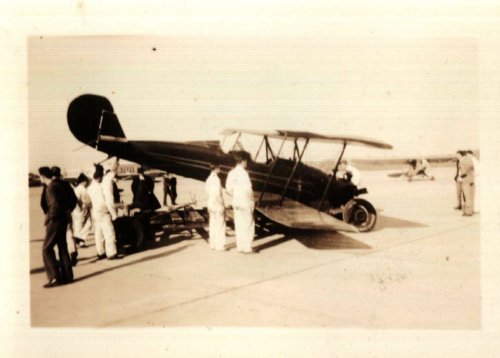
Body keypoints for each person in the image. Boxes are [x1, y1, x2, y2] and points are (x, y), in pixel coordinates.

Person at [38, 166, 74, 287]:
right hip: (63, 219)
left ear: (43, 176)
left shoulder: (50, 187)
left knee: (46, 249)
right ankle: (68, 276)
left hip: (55, 220)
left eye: (40, 176)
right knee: (62, 247)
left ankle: (54, 277)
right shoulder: (62, 185)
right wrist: (67, 212)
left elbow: (54, 205)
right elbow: (72, 200)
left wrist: (49, 218)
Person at [225, 152, 257, 254]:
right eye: (246, 161)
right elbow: (248, 190)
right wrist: (252, 202)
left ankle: (240, 247)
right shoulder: (244, 173)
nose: (247, 163)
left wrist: (236, 195)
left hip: (236, 202)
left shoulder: (231, 173)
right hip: (245, 202)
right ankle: (247, 248)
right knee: (248, 224)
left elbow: (228, 189)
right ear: (243, 161)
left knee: (239, 225)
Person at [87, 164, 120, 260]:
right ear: (101, 176)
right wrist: (114, 214)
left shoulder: (90, 187)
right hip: (104, 212)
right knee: (109, 233)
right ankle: (111, 253)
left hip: (96, 213)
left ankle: (100, 252)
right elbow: (108, 201)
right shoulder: (103, 185)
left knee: (98, 233)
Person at [51, 166, 79, 266]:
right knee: (69, 233)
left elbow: (43, 203)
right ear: (59, 173)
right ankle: (73, 253)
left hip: (55, 215)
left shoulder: (50, 186)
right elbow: (74, 199)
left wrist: (48, 213)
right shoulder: (66, 185)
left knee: (55, 236)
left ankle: (60, 258)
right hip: (67, 213)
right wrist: (69, 209)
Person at [205, 163, 227, 251]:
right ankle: (220, 246)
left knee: (213, 224)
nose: (220, 169)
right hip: (217, 204)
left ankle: (213, 244)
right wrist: (223, 205)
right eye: (219, 168)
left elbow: (207, 191)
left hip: (210, 204)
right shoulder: (216, 179)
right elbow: (218, 194)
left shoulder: (208, 179)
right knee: (220, 225)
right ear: (216, 168)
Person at [72, 173, 92, 249]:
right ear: (83, 181)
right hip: (80, 210)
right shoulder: (80, 189)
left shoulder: (81, 188)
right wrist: (78, 208)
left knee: (87, 224)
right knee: (80, 225)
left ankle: (79, 238)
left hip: (84, 209)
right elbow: (76, 199)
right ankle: (80, 241)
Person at [459, 150, 475, 216]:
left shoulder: (462, 161)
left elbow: (463, 173)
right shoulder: (473, 161)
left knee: (466, 197)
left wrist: (460, 176)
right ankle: (470, 211)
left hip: (465, 181)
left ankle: (467, 212)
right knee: (471, 197)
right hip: (472, 180)